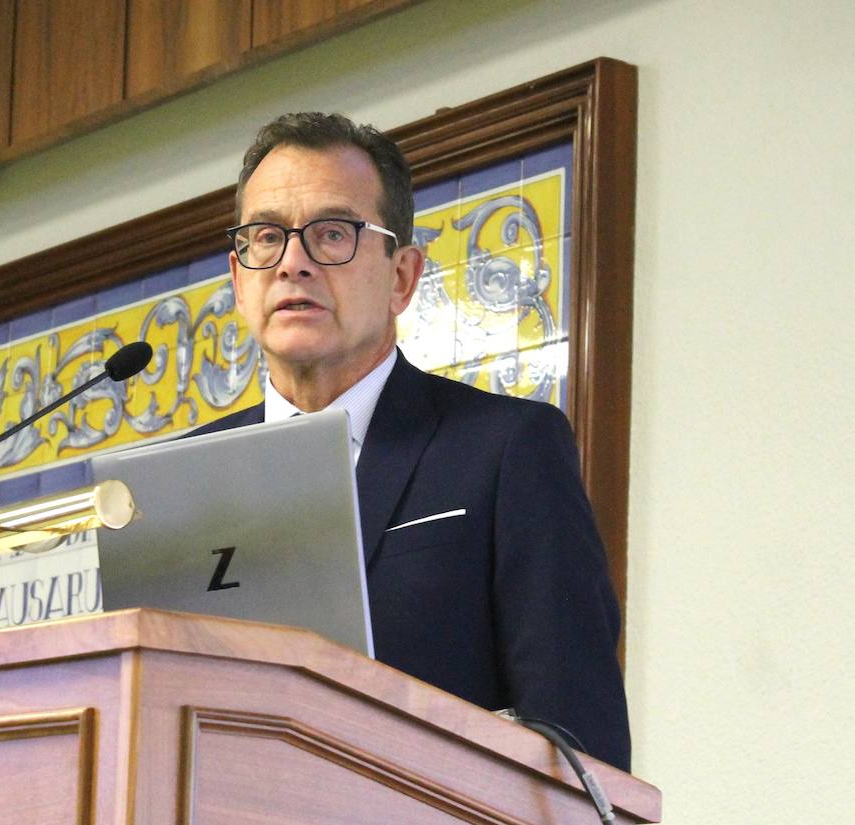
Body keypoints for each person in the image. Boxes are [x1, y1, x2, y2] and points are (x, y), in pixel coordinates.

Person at [192, 112, 631, 771]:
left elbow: (580, 749)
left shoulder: (507, 450)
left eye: (332, 234)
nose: (292, 264)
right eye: (266, 238)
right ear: (238, 276)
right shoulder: (187, 474)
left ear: (401, 277)